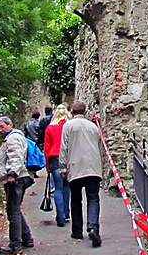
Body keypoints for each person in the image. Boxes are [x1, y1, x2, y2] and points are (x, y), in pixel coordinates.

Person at [59, 101, 103, 247]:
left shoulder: (68, 126)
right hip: (92, 167)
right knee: (93, 198)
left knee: (76, 199)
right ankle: (93, 227)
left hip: (75, 166)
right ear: (85, 112)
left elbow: (64, 147)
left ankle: (77, 230)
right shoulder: (93, 127)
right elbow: (99, 146)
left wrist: (63, 168)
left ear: (72, 113)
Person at [0, 116, 35, 255]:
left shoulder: (13, 138)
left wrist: (12, 174)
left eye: (2, 126)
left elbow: (15, 156)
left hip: (17, 178)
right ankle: (26, 238)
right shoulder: (13, 137)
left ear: (10, 124)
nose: (0, 130)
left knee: (13, 211)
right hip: (20, 176)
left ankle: (15, 244)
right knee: (15, 209)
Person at [43, 103, 71, 227]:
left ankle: (60, 217)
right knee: (66, 186)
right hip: (68, 157)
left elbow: (47, 148)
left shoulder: (50, 128)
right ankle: (66, 212)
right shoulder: (69, 126)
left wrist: (47, 164)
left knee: (58, 188)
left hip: (54, 158)